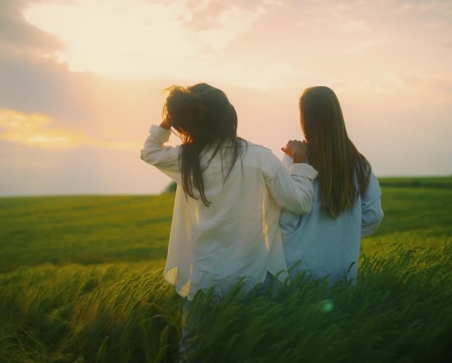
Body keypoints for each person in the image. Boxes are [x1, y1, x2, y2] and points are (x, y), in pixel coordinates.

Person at [140, 83, 318, 360]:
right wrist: (301, 165)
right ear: (230, 115)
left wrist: (169, 120)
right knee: (248, 352)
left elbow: (149, 152)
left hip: (204, 279)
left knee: (193, 354)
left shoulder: (189, 157)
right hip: (252, 278)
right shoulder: (260, 158)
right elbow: (300, 203)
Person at [280, 86, 383, 285]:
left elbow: (286, 217)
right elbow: (373, 215)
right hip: (342, 272)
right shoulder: (360, 164)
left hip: (296, 271)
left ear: (306, 118)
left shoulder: (296, 159)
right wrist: (344, 232)